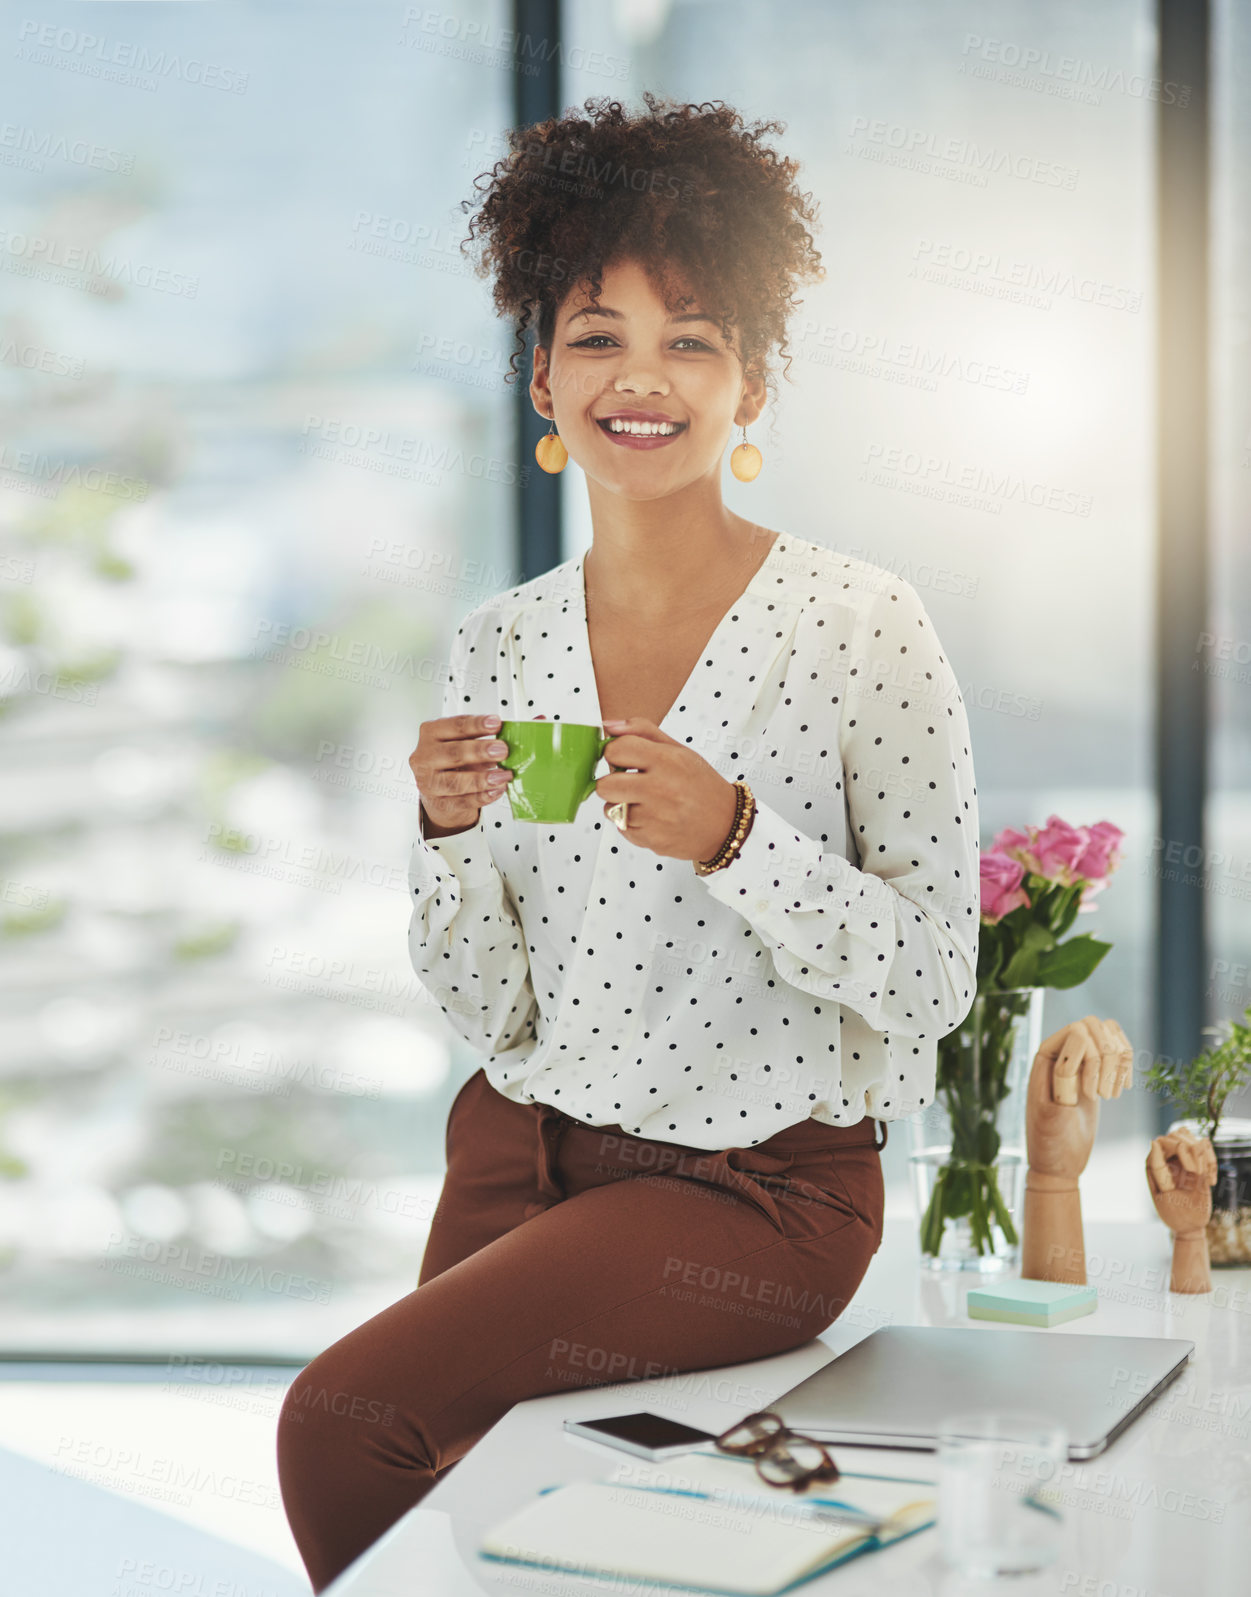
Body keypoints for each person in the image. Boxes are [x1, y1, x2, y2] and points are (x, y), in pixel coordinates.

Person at [277, 92, 980, 1592]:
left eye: (692, 338)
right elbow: (489, 1009)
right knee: (473, 1533)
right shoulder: (499, 645)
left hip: (752, 1190)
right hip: (513, 1154)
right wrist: (446, 837)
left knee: (339, 1424)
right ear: (541, 377)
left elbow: (935, 978)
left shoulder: (861, 625)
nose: (639, 378)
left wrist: (738, 837)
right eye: (597, 335)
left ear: (754, 384)